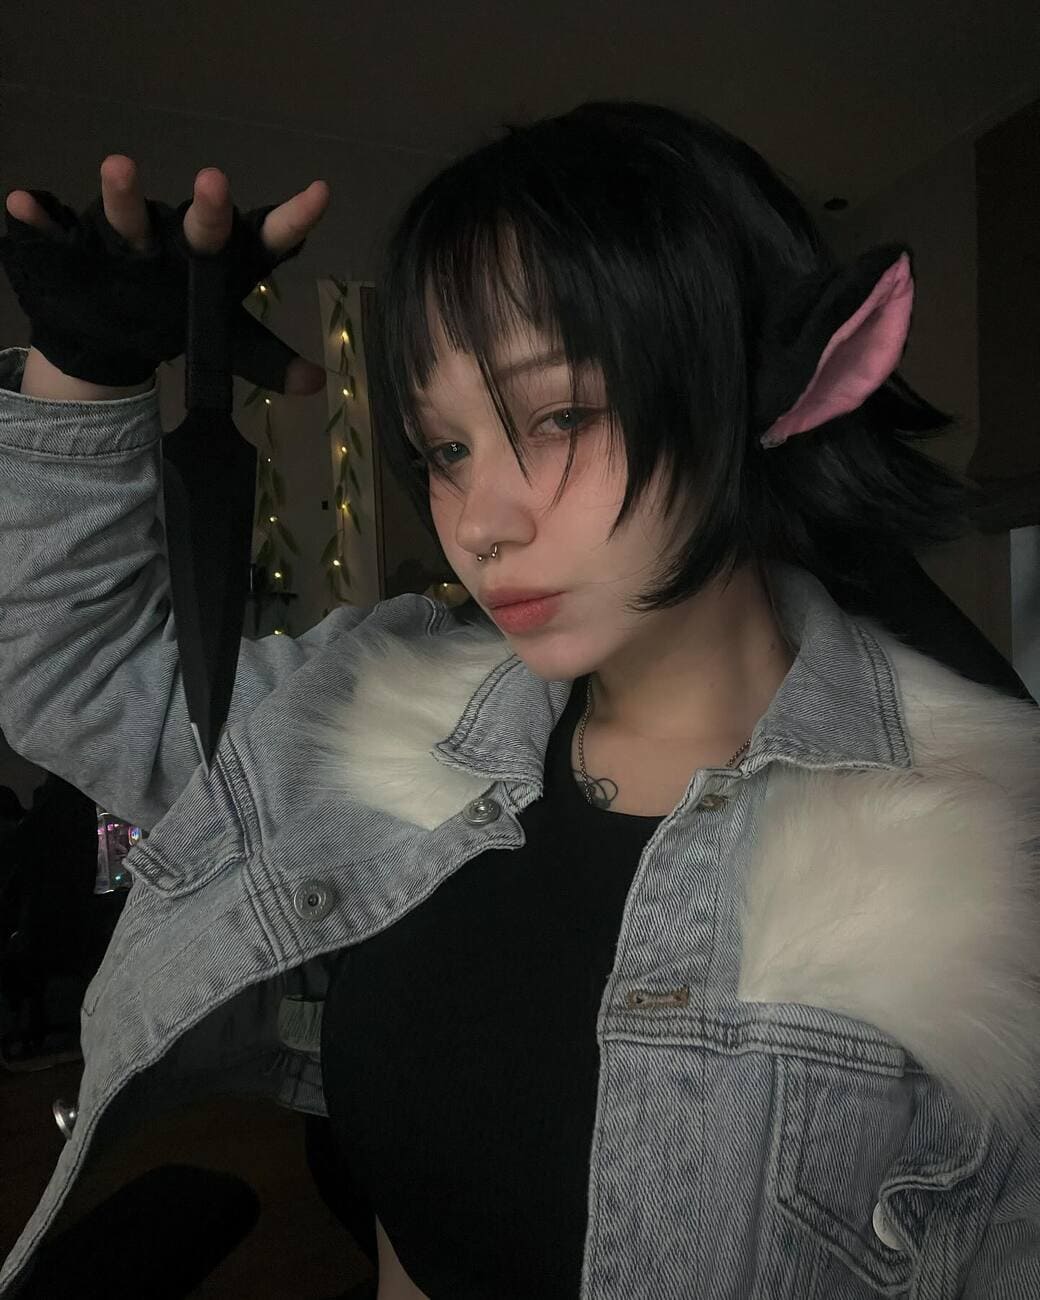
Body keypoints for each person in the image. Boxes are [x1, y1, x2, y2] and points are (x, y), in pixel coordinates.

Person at [0, 100, 1037, 1300]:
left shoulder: (972, 889)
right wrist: (87, 369)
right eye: (447, 448)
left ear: (765, 384)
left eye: (558, 415)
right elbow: (80, 677)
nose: (480, 522)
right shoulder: (380, 711)